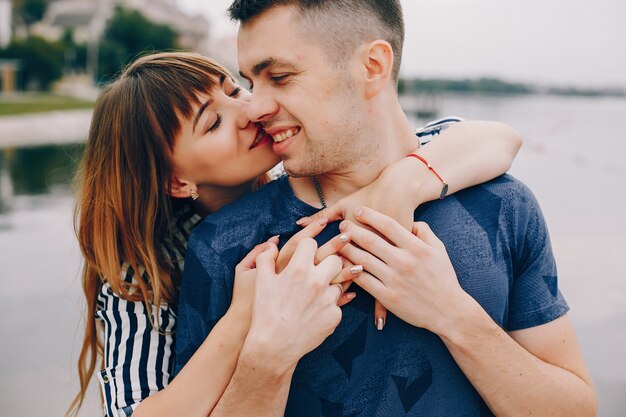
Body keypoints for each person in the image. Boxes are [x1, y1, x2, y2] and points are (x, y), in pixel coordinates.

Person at [175, 1, 597, 416]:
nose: (254, 107)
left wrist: (454, 316)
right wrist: (268, 355)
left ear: (372, 66)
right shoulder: (229, 246)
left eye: (280, 78)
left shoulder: (505, 206)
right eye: (251, 80)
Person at [68, 51, 522, 417]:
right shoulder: (141, 275)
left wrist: (400, 184)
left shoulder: (307, 166)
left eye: (234, 89)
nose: (249, 109)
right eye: (213, 122)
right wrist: (244, 315)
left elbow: (496, 138)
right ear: (177, 182)